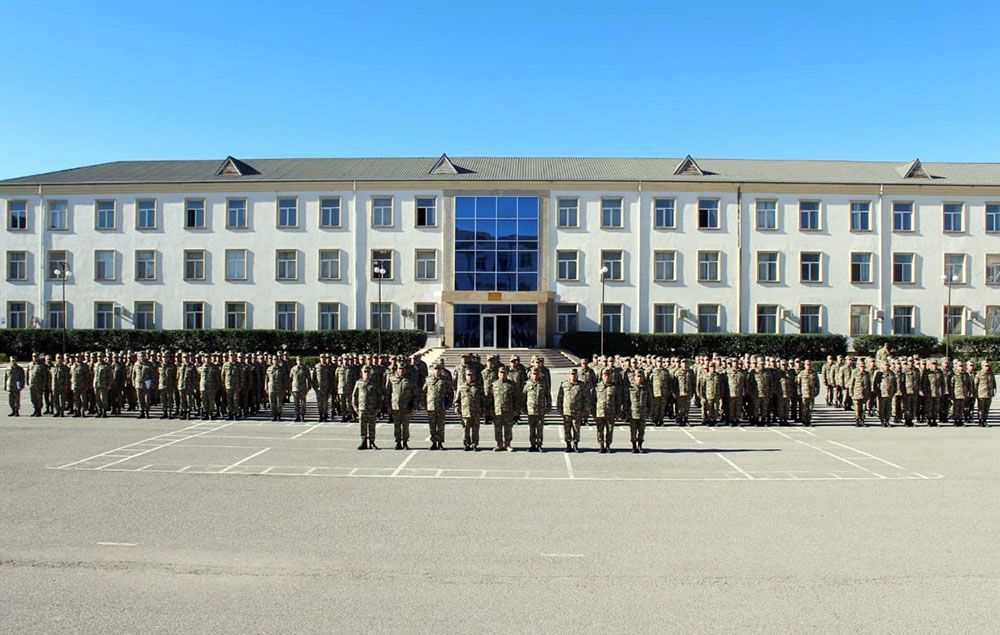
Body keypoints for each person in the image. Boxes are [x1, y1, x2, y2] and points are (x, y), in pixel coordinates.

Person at [388, 364, 418, 450]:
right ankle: (397, 442)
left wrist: (414, 406)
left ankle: (405, 442)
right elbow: (388, 392)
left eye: (403, 369)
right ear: (397, 369)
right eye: (400, 369)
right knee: (396, 426)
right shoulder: (392, 379)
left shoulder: (410, 380)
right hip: (395, 406)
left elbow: (415, 394)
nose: (401, 370)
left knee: (405, 426)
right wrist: (388, 406)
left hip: (407, 407)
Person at [556, 368, 587, 453]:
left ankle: (576, 445)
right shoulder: (564, 384)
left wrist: (584, 410)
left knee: (576, 429)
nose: (573, 376)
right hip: (566, 411)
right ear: (569, 375)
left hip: (578, 411)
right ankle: (568, 445)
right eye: (572, 374)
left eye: (574, 374)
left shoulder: (581, 385)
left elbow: (586, 398)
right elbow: (560, 398)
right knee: (567, 429)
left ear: (577, 375)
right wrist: (560, 409)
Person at [424, 364, 453, 450]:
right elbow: (423, 392)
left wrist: (449, 404)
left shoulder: (445, 380)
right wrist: (425, 404)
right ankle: (433, 442)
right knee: (432, 426)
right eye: (435, 369)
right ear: (433, 370)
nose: (437, 371)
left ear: (441, 370)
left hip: (441, 406)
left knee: (440, 425)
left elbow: (451, 392)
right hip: (431, 406)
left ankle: (440, 442)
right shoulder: (428, 379)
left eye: (439, 369)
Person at [454, 372, 484, 451]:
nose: (470, 377)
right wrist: (457, 409)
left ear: (474, 376)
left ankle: (474, 444)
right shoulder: (461, 387)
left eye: (471, 375)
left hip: (476, 412)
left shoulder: (478, 387)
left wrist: (483, 410)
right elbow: (457, 400)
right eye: (468, 375)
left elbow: (483, 399)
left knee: (475, 430)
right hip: (465, 412)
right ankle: (467, 444)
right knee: (465, 430)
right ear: (466, 377)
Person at [352, 366, 380, 450]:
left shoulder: (374, 384)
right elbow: (354, 395)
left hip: (372, 408)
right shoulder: (358, 383)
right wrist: (355, 407)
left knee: (372, 426)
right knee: (362, 426)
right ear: (362, 373)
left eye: (368, 372)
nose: (367, 374)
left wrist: (378, 407)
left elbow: (379, 396)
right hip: (362, 408)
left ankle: (372, 442)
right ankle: (363, 442)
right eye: (365, 372)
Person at [490, 367, 518, 451]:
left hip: (508, 410)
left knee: (508, 429)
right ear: (498, 374)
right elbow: (490, 398)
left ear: (507, 374)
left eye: (504, 373)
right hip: (497, 410)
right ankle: (499, 444)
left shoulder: (511, 384)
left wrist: (516, 410)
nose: (503, 374)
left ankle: (507, 445)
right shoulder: (494, 384)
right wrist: (490, 410)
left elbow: (516, 398)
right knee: (497, 429)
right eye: (501, 373)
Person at [522, 368, 548, 452]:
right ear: (531, 375)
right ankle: (532, 444)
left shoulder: (543, 384)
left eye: (537, 374)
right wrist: (523, 408)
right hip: (531, 410)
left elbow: (548, 396)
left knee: (540, 428)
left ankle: (539, 445)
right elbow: (523, 397)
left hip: (540, 410)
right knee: (532, 429)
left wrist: (548, 407)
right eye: (534, 374)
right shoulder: (527, 384)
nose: (535, 376)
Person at [594, 368, 618, 453]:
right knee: (600, 430)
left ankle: (608, 446)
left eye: (608, 375)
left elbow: (618, 401)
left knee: (610, 430)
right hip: (600, 412)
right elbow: (593, 400)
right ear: (602, 376)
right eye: (605, 375)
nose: (607, 377)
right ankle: (601, 445)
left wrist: (618, 412)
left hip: (610, 412)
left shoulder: (614, 387)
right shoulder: (597, 387)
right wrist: (593, 413)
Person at [628, 372, 653, 453]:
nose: (639, 378)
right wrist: (626, 412)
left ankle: (640, 446)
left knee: (641, 430)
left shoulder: (646, 388)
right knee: (633, 430)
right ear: (634, 377)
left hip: (643, 412)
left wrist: (650, 412)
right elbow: (626, 401)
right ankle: (634, 446)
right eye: (638, 377)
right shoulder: (630, 387)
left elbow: (650, 401)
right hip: (633, 412)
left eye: (641, 377)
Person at [974, 362, 996, 427]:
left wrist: (993, 391)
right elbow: (975, 384)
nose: (987, 367)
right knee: (981, 409)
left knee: (987, 409)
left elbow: (994, 384)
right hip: (981, 394)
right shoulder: (979, 374)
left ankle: (985, 420)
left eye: (988, 366)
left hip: (989, 394)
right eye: (986, 366)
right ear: (982, 366)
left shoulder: (991, 374)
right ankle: (980, 421)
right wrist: (975, 393)